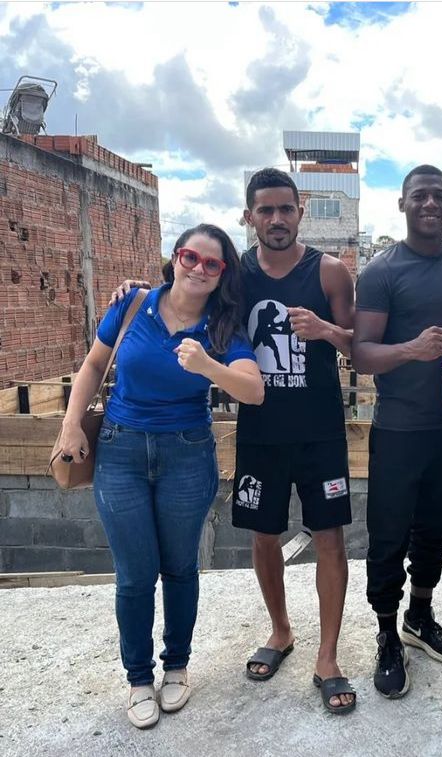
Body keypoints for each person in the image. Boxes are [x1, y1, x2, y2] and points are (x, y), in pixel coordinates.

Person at [59, 224, 263, 729]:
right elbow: (93, 365)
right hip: (120, 451)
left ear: (221, 275)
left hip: (186, 455)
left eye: (212, 264)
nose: (198, 269)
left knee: (179, 569)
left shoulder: (222, 326)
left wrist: (208, 365)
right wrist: (70, 424)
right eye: (191, 257)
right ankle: (137, 678)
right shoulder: (133, 304)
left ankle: (176, 665)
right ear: (175, 257)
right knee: (134, 575)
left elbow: (253, 391)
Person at [351, 165, 442, 698]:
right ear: (403, 203)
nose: (430, 204)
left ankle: (419, 616)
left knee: (436, 531)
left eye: (439, 196)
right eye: (420, 196)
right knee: (388, 535)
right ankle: (387, 633)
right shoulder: (381, 271)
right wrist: (412, 349)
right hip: (399, 428)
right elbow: (361, 354)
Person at [233, 168, 358, 715]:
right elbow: (183, 300)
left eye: (286, 208)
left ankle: (327, 656)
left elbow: (359, 343)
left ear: (300, 212)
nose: (277, 219)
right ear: (250, 216)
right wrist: (134, 293)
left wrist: (326, 331)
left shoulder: (329, 271)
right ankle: (281, 631)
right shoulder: (235, 274)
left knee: (329, 537)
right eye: (266, 210)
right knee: (263, 536)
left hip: (320, 432)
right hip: (260, 433)